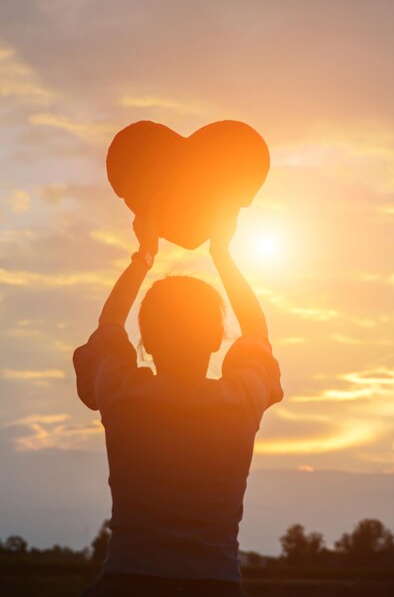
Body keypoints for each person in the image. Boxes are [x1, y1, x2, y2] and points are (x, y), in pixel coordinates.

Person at [73, 203, 283, 597]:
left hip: (127, 583)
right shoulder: (239, 402)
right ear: (216, 339)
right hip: (214, 585)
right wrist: (222, 252)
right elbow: (257, 333)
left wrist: (144, 255)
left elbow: (108, 330)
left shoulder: (124, 394)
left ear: (146, 343)